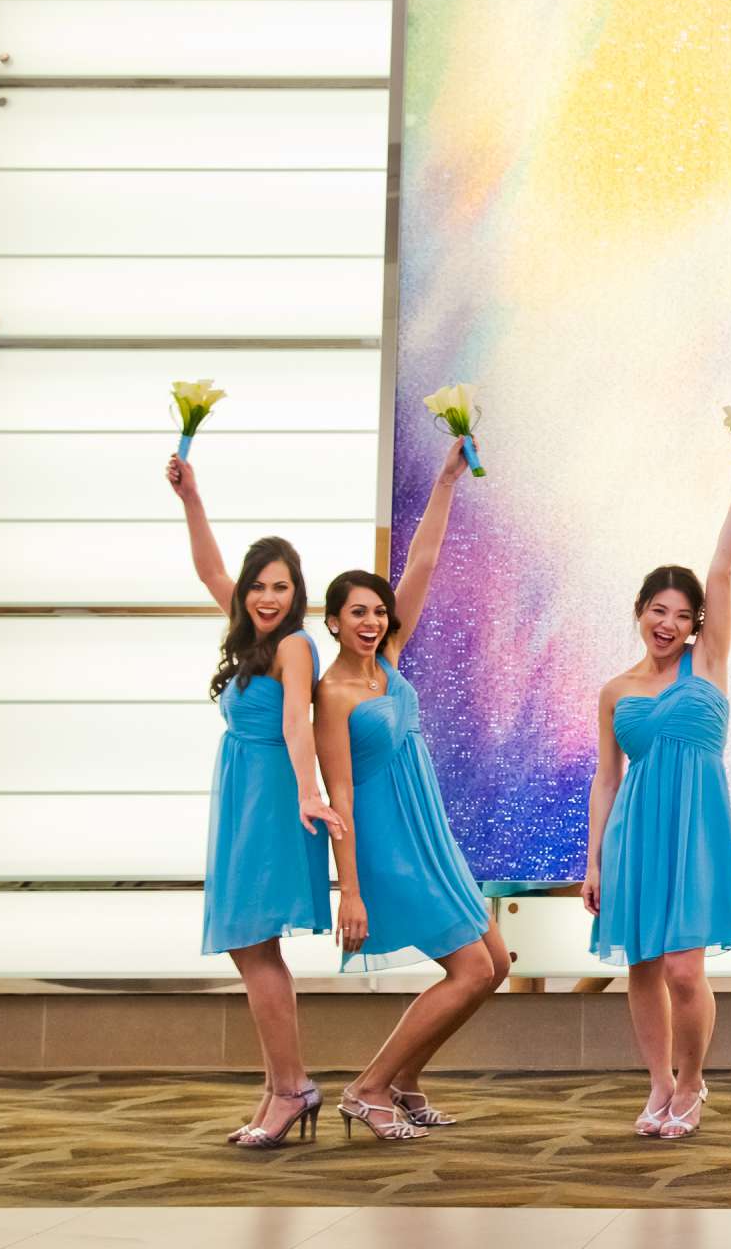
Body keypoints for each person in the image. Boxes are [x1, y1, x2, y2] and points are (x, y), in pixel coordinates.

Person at [314, 436, 507, 1139]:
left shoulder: (388, 661)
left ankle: (404, 1080)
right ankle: (367, 1087)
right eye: (356, 613)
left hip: (431, 836)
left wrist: (447, 483)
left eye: (376, 612)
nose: (370, 622)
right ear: (332, 621)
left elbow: (421, 561)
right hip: (387, 846)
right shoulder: (331, 693)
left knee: (497, 965)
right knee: (466, 970)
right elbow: (337, 792)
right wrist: (353, 889)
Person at [585, 448, 731, 1140]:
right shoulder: (615, 691)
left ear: (695, 625)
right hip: (634, 830)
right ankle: (658, 1083)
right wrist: (595, 861)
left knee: (686, 971)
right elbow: (607, 779)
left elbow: (721, 572)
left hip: (695, 829)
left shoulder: (708, 662)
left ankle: (692, 1082)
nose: (668, 623)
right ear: (640, 612)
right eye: (657, 610)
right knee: (643, 964)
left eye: (681, 614)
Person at [168, 455, 341, 1149]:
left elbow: (298, 722)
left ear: (297, 593)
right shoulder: (249, 636)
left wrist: (307, 791)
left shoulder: (294, 645)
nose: (267, 597)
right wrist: (192, 498)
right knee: (249, 947)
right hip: (242, 796)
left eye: (281, 587)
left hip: (273, 799)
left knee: (254, 944)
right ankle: (280, 1083)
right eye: (258, 587)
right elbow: (212, 571)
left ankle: (292, 1087)